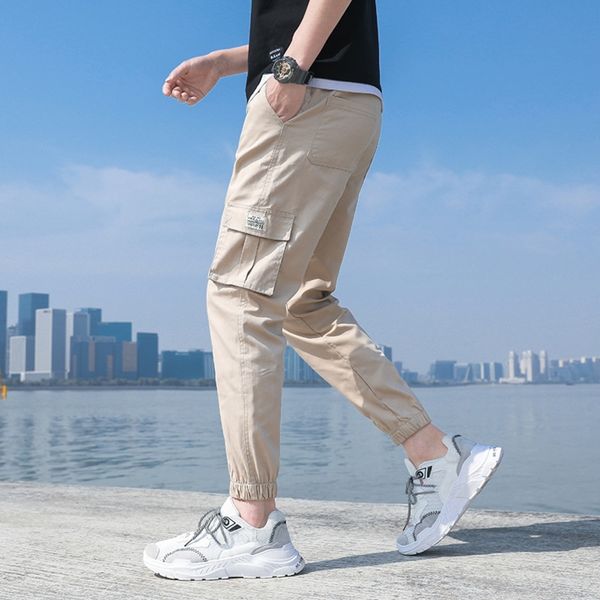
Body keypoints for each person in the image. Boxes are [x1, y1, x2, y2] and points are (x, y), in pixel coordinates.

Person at [143, 0, 503, 581]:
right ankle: (433, 452)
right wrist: (227, 62)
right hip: (347, 103)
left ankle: (252, 524)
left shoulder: (298, 76)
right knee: (299, 301)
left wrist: (290, 70)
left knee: (242, 295)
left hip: (308, 95)